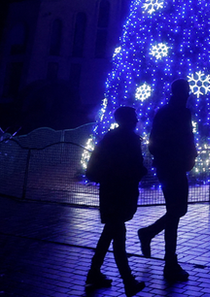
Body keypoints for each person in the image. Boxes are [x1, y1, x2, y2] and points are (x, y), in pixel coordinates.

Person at [138, 79, 197, 282]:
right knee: (176, 212)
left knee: (177, 211)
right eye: (186, 91)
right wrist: (185, 156)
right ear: (180, 92)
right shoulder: (176, 113)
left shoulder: (170, 112)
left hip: (171, 166)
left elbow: (159, 142)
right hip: (172, 167)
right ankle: (169, 261)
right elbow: (182, 139)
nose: (188, 94)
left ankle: (150, 236)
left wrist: (188, 155)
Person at [85, 106, 147, 295]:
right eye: (134, 117)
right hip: (121, 193)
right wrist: (141, 172)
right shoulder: (129, 140)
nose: (137, 120)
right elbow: (134, 167)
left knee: (110, 233)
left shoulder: (110, 138)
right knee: (118, 237)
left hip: (110, 191)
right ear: (127, 119)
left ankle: (94, 272)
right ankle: (128, 281)